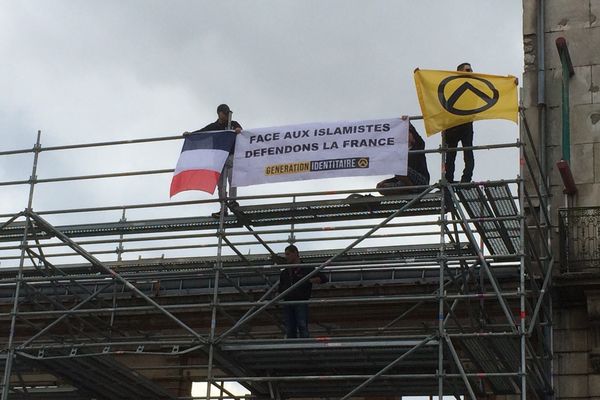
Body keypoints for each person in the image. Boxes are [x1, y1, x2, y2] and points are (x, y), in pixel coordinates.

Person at [185, 104, 242, 218]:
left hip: (230, 155)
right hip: (218, 157)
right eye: (224, 113)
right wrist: (190, 135)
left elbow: (241, 131)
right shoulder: (214, 126)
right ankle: (223, 208)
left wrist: (238, 130)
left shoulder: (233, 123)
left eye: (227, 114)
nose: (226, 115)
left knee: (232, 180)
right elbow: (202, 133)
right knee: (221, 185)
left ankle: (232, 202)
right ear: (219, 113)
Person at [274, 245, 328, 339]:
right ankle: (293, 350)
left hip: (301, 301)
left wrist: (312, 280)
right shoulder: (285, 272)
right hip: (288, 302)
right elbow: (281, 287)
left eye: (288, 254)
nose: (286, 257)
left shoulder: (306, 268)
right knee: (290, 328)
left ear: (295, 253)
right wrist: (278, 295)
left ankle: (305, 349)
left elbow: (324, 278)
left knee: (302, 325)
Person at [376, 123, 430, 195]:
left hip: (421, 182)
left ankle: (410, 189)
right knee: (380, 187)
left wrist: (407, 122)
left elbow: (418, 137)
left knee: (399, 168)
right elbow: (398, 176)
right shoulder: (401, 154)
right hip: (405, 183)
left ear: (413, 137)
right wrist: (385, 181)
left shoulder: (418, 147)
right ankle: (407, 190)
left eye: (408, 133)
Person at [443, 62, 475, 183]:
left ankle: (466, 179)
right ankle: (449, 179)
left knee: (468, 153)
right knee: (451, 155)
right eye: (468, 70)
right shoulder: (451, 86)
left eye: (471, 70)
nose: (471, 72)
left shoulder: (475, 85)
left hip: (466, 123)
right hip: (453, 125)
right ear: (460, 72)